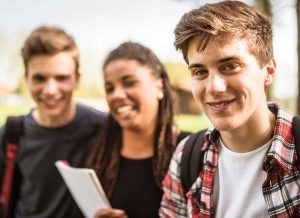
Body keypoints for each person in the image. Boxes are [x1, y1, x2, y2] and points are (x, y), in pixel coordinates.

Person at [160, 1, 300, 217]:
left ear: (269, 71)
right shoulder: (186, 157)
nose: (214, 87)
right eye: (200, 72)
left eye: (230, 66)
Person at [0, 26, 107, 218]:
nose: (50, 90)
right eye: (39, 78)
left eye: (61, 78)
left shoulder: (104, 128)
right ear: (27, 79)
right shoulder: (11, 133)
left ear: (77, 79)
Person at [86, 42, 189, 218]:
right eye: (109, 88)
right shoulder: (99, 153)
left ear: (160, 86)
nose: (117, 94)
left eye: (129, 82)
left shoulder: (190, 152)